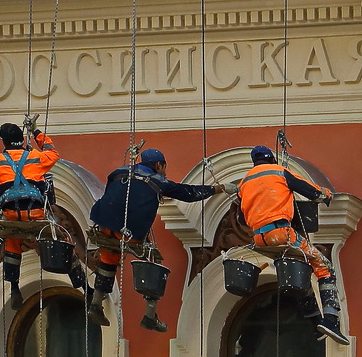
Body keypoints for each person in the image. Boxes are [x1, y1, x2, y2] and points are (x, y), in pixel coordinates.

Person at [87, 148, 235, 332]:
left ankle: (95, 303)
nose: (165, 172)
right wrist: (219, 188)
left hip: (103, 225)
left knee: (108, 259)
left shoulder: (118, 173)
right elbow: (188, 193)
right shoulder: (158, 181)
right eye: (164, 167)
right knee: (154, 262)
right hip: (129, 232)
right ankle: (150, 315)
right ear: (159, 165)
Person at [236, 145, 347, 345]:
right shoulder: (279, 172)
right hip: (282, 234)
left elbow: (242, 219)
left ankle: (314, 321)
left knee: (298, 269)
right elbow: (312, 192)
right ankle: (330, 319)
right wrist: (327, 195)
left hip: (260, 238)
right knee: (323, 267)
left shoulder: (244, 182)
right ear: (271, 159)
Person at [0, 115, 69, 309]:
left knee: (12, 240)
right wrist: (36, 132)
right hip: (35, 212)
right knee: (53, 228)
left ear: (4, 141)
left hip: (11, 212)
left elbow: (2, 179)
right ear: (22, 138)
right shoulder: (35, 157)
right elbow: (53, 153)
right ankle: (76, 278)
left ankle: (14, 286)